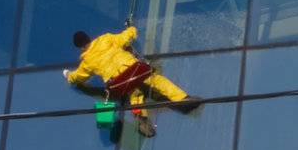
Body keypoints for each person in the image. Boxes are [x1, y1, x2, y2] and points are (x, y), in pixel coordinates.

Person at [64, 23, 199, 138]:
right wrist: (132, 29)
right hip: (133, 69)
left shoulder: (87, 61)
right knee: (157, 81)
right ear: (89, 38)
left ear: (80, 47)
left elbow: (77, 77)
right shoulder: (106, 39)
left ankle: (142, 121)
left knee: (135, 96)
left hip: (119, 82)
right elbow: (125, 38)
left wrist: (68, 76)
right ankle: (183, 99)